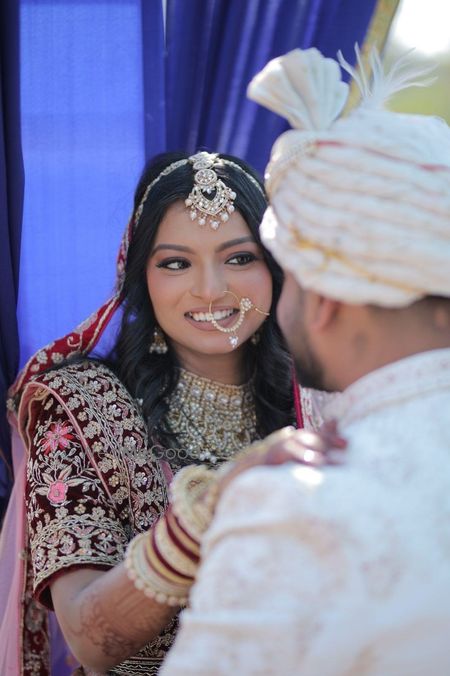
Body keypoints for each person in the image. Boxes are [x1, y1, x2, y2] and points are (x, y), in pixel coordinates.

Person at [160, 47, 450, 675]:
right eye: (176, 262)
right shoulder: (79, 398)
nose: (211, 291)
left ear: (323, 300)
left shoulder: (299, 503)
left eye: (256, 262)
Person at [0, 149, 334, 675]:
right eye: (176, 263)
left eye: (239, 258)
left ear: (275, 267)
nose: (211, 290)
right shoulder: (81, 410)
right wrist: (200, 521)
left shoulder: (322, 400)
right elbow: (90, 639)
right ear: (142, 279)